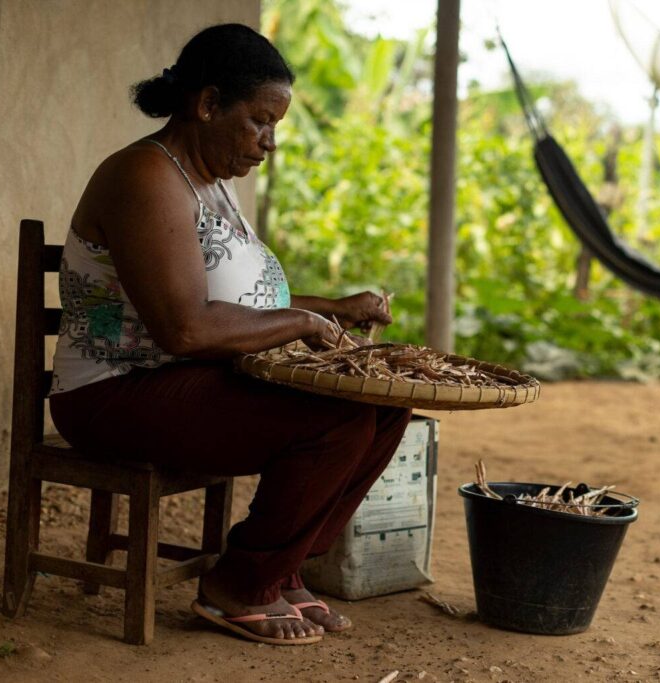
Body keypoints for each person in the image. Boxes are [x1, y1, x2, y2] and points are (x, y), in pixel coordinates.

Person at [48, 23, 411, 646]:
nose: (270, 142)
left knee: (384, 405)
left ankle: (281, 567)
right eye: (260, 122)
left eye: (275, 126)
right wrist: (305, 323)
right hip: (114, 392)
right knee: (338, 420)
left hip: (188, 383)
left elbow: (240, 304)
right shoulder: (145, 176)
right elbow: (185, 327)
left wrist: (331, 307)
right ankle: (239, 584)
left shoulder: (214, 183)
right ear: (209, 103)